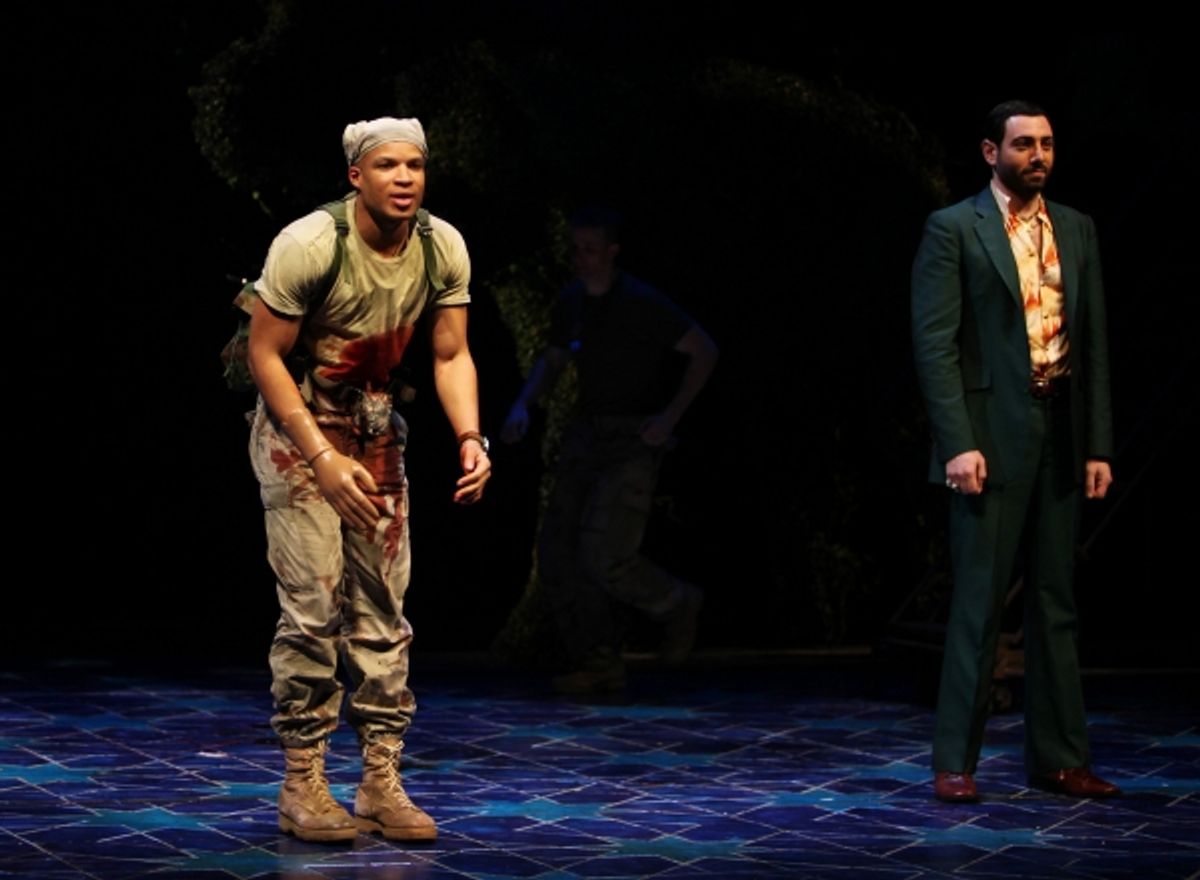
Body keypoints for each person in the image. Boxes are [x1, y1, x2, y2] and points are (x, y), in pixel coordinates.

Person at [246, 117, 491, 842]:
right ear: (357, 175)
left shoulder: (441, 246)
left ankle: (381, 779)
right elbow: (265, 356)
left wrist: (470, 437)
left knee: (384, 610)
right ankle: (303, 783)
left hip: (376, 432)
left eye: (415, 165)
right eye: (388, 165)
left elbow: (451, 355)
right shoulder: (311, 243)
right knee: (315, 608)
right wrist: (319, 455)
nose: (405, 178)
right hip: (300, 433)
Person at [911, 100, 1120, 803]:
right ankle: (955, 761)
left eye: (1048, 144)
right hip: (989, 438)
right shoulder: (954, 229)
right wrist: (956, 443)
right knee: (979, 600)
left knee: (1056, 602)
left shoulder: (1077, 228)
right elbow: (934, 345)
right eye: (1024, 144)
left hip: (1058, 430)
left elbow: (1090, 344)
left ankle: (1060, 757)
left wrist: (1097, 444)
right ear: (990, 151)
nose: (1038, 155)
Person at [501, 207, 718, 693]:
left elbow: (703, 350)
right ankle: (599, 658)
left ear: (612, 251)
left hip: (633, 437)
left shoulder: (642, 303)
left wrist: (669, 418)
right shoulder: (573, 302)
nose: (582, 259)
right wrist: (523, 404)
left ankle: (676, 602)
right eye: (576, 249)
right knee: (557, 550)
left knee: (605, 553)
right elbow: (553, 360)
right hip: (589, 433)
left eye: (591, 249)